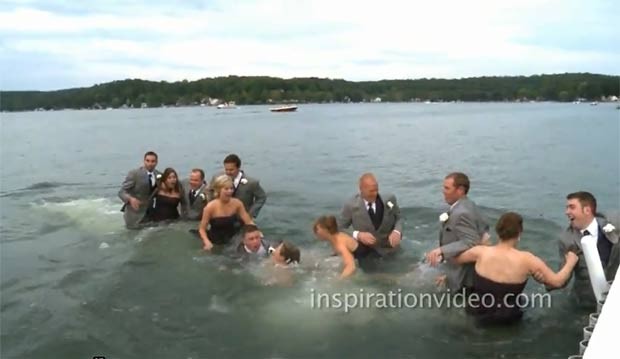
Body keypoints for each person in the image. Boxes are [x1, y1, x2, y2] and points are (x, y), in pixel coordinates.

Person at [454, 212, 579, 326]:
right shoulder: (527, 260)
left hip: (477, 312)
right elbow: (557, 282)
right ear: (519, 233)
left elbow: (455, 259)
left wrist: (478, 244)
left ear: (498, 231)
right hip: (508, 318)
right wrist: (571, 262)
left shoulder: (480, 252)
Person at [542, 191, 619, 307]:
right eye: (567, 208)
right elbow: (563, 279)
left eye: (572, 207)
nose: (567, 212)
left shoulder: (614, 222)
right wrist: (549, 280)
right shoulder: (566, 240)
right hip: (587, 303)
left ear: (587, 210)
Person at [426, 172, 490, 293]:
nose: (443, 191)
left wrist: (441, 250)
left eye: (447, 188)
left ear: (460, 190)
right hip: (462, 271)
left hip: (463, 279)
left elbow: (472, 241)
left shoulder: (462, 213)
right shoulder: (469, 204)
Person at [338, 173, 403, 258]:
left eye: (376, 190)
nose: (375, 194)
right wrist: (358, 235)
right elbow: (340, 228)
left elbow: (399, 217)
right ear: (361, 189)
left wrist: (397, 231)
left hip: (390, 250)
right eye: (371, 191)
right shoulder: (351, 205)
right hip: (366, 253)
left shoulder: (389, 199)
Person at [314, 215, 381, 279]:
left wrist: (338, 281)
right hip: (368, 255)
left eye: (317, 230)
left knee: (381, 277)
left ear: (325, 230)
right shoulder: (335, 237)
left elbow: (351, 267)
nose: (315, 232)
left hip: (372, 261)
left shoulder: (339, 243)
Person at [198, 175, 255, 250]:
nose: (230, 191)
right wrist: (207, 242)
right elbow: (202, 229)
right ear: (219, 190)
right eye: (226, 189)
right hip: (216, 240)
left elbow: (248, 221)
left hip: (233, 238)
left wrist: (257, 232)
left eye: (231, 188)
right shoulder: (210, 207)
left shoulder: (237, 203)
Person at [208, 153, 267, 219]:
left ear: (238, 168)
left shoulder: (251, 183)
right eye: (226, 169)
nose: (228, 172)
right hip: (220, 217)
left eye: (231, 170)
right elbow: (209, 190)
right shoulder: (217, 177)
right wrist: (211, 206)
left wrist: (251, 214)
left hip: (242, 218)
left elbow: (262, 197)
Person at [118, 151, 161, 229]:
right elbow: (121, 192)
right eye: (147, 161)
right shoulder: (134, 174)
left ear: (156, 162)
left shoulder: (159, 175)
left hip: (150, 214)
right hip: (134, 214)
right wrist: (130, 199)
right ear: (144, 161)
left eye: (153, 161)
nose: (150, 163)